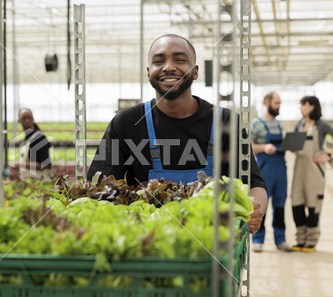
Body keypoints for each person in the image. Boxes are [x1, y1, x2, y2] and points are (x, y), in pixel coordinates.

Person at [87, 34, 267, 234]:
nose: (168, 67)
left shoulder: (227, 122)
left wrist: (254, 207)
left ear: (195, 71)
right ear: (149, 72)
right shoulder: (126, 123)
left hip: (213, 242)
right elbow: (99, 185)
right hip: (147, 241)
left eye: (180, 60)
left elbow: (254, 183)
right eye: (158, 61)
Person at [250, 92, 291, 252]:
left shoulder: (280, 124)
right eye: (277, 103)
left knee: (280, 205)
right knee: (262, 204)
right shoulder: (256, 123)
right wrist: (264, 147)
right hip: (264, 168)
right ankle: (258, 239)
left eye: (280, 103)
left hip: (281, 168)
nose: (279, 106)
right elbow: (249, 146)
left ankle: (280, 240)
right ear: (267, 102)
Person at [290, 96, 333, 252]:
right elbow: (294, 143)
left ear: (312, 107)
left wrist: (327, 156)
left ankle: (312, 240)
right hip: (298, 170)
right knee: (296, 203)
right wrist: (293, 147)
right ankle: (300, 239)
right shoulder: (299, 124)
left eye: (303, 105)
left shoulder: (322, 126)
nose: (301, 108)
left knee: (314, 205)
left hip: (315, 172)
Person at [11, 107, 52, 180]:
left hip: (40, 181)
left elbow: (45, 164)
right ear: (19, 121)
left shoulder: (39, 138)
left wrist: (21, 165)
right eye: (24, 118)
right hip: (30, 181)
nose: (27, 120)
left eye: (29, 117)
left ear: (33, 119)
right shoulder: (27, 138)